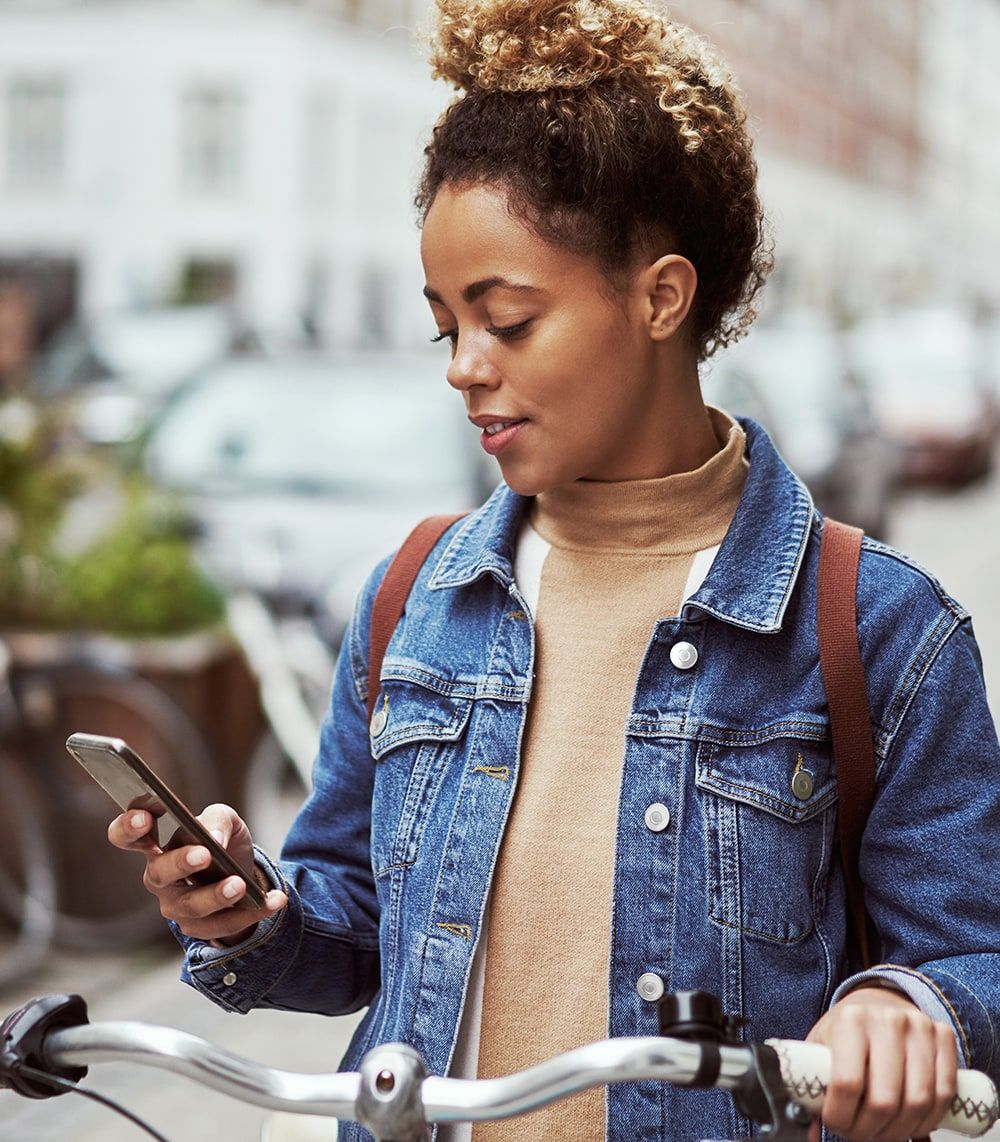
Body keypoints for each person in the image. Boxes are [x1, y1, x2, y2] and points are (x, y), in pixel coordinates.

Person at [109, 2, 1000, 1140]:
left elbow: (971, 956)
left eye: (509, 321)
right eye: (446, 328)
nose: (465, 369)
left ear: (660, 297)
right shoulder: (414, 596)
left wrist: (903, 1004)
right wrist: (244, 911)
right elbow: (353, 941)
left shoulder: (878, 627)